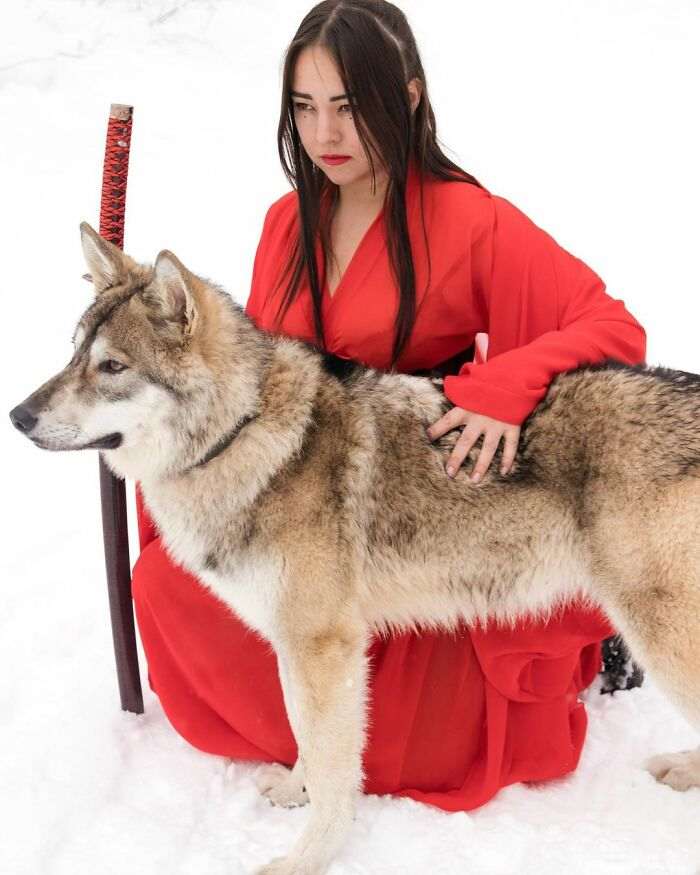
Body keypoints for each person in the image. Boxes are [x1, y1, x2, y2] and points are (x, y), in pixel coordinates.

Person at [132, 0, 646, 812]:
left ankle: (583, 636)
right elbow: (256, 377)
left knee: (420, 735)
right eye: (305, 107)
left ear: (406, 96)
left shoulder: (469, 218)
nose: (324, 133)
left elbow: (612, 327)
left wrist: (501, 389)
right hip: (311, 511)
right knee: (169, 585)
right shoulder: (285, 222)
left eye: (348, 105)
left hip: (418, 515)